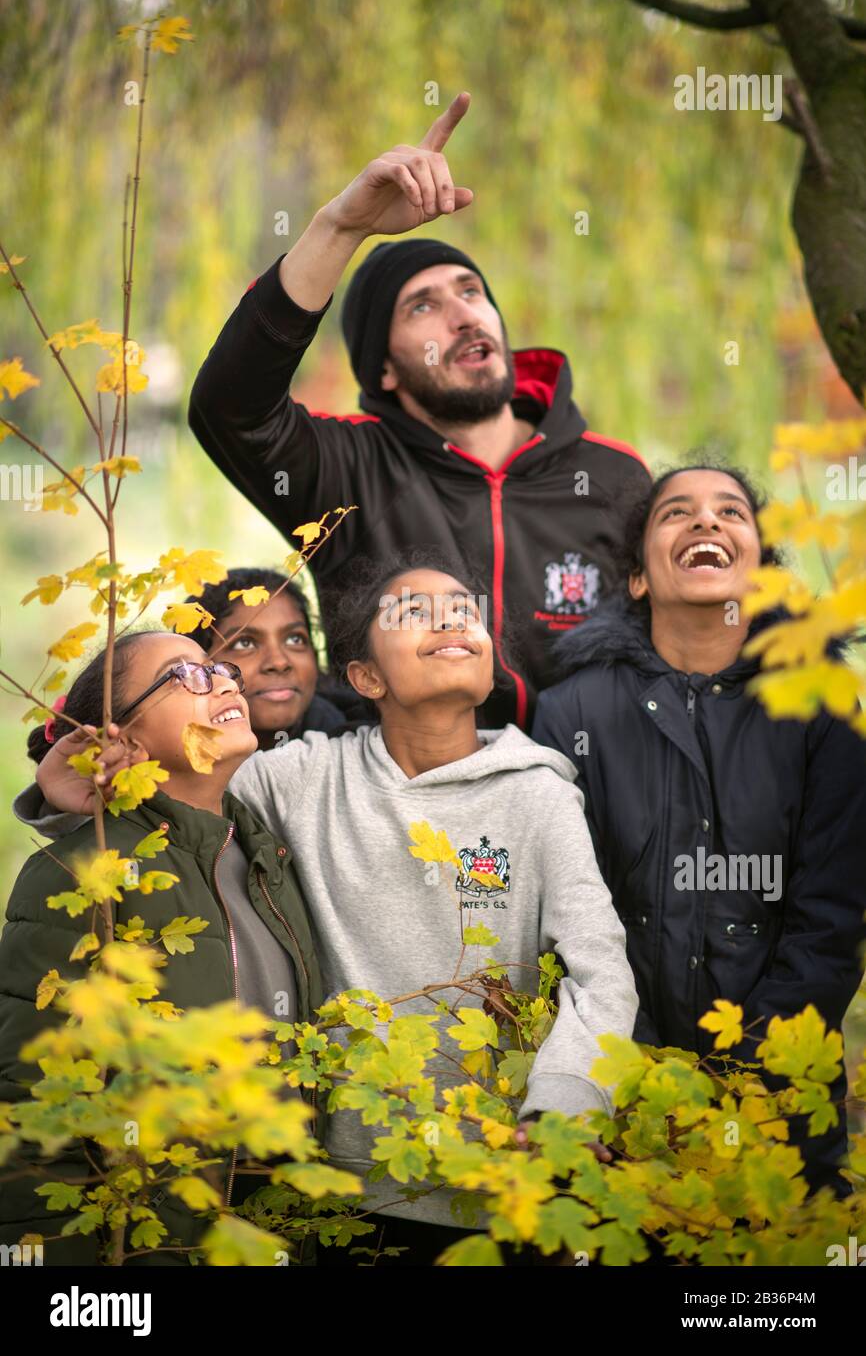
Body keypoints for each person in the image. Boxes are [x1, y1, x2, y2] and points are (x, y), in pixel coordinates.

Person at [27, 556, 639, 1265]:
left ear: (491, 664)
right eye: (414, 613)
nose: (449, 620)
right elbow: (171, 785)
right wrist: (62, 795)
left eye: (464, 610)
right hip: (339, 1189)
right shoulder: (299, 778)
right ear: (366, 678)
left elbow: (601, 973)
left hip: (505, 1179)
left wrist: (566, 1100)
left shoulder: (539, 796)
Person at [187, 91, 649, 731]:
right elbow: (229, 406)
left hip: (581, 809)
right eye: (422, 307)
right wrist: (339, 228)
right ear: (383, 367)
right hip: (400, 810)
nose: (463, 315)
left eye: (471, 292)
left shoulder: (614, 476)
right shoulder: (346, 471)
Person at [531, 464, 866, 1198]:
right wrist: (643, 1084)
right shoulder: (571, 714)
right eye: (676, 513)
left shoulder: (824, 708)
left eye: (730, 513)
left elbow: (829, 929)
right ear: (640, 579)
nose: (706, 523)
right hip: (616, 1095)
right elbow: (569, 922)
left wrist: (745, 1084)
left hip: (781, 1105)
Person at [0, 631, 322, 1264]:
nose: (227, 681)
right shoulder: (80, 875)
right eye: (186, 675)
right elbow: (32, 1114)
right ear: (125, 741)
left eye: (222, 669)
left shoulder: (269, 862)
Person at [182, 566, 371, 747]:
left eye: (294, 639)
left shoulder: (367, 742)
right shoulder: (167, 758)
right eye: (245, 643)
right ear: (196, 671)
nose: (279, 662)